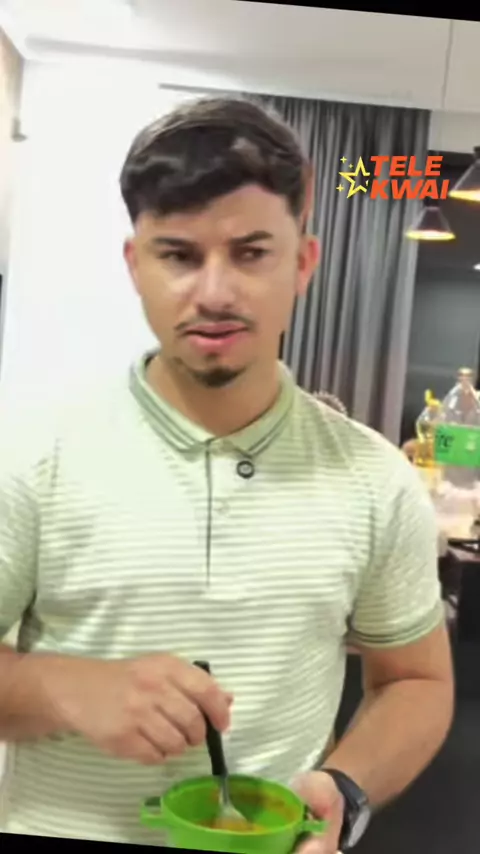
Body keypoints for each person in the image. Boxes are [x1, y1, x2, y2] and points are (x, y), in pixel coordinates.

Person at [0, 97, 453, 852]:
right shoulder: (28, 455)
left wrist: (345, 788)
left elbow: (416, 681)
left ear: (302, 264)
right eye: (179, 255)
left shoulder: (374, 479)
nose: (214, 293)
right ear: (135, 265)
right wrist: (62, 687)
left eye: (250, 253)